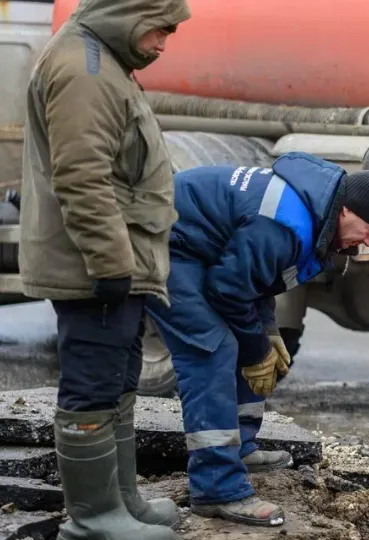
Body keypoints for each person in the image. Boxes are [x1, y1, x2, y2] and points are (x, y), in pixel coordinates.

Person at [145, 151, 369, 526]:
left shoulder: (313, 212)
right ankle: (217, 488)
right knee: (212, 350)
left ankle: (241, 448)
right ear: (346, 211)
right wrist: (255, 348)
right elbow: (229, 289)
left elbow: (256, 281)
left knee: (255, 346)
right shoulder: (287, 223)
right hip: (163, 244)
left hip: (199, 249)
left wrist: (266, 332)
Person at [16, 0, 191, 538]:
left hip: (116, 265)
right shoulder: (85, 71)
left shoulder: (104, 62)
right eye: (158, 30)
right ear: (128, 14)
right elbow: (83, 179)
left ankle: (122, 501)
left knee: (118, 380)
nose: (164, 43)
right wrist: (111, 264)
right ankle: (92, 519)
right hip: (92, 270)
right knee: (92, 386)